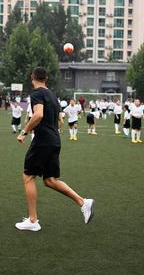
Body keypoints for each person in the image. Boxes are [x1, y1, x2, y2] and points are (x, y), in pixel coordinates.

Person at [15, 67, 95, 232]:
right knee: (49, 180)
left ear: (32, 78)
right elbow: (60, 121)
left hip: (43, 141)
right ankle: (84, 202)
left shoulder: (37, 93)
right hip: (54, 140)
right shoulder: (52, 95)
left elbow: (38, 115)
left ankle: (33, 220)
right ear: (47, 78)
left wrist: (24, 132)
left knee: (28, 177)